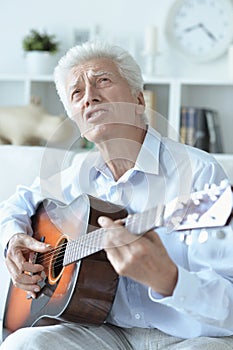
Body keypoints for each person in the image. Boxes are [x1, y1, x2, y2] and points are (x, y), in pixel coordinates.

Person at [0, 41, 232, 350]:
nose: (89, 97)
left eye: (102, 81)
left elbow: (229, 305)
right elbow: (16, 204)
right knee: (23, 344)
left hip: (187, 336)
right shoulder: (73, 175)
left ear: (139, 100)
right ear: (76, 119)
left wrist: (170, 280)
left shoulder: (199, 174)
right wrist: (12, 241)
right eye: (76, 93)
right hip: (103, 331)